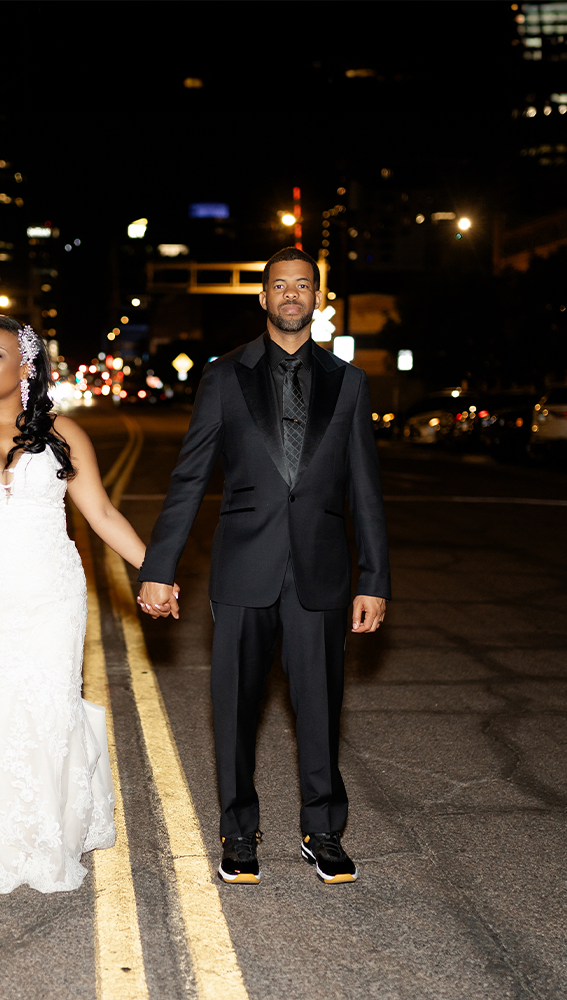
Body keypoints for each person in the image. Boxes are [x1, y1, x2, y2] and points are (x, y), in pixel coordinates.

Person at [137, 248, 390, 886]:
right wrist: (159, 567)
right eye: (280, 286)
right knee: (236, 706)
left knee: (321, 706)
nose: (290, 295)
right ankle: (238, 831)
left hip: (321, 573)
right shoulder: (225, 376)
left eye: (302, 286)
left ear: (316, 297)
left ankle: (323, 830)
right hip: (244, 568)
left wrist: (375, 580)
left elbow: (365, 488)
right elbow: (190, 476)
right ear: (263, 297)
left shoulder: (349, 382)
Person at [0, 315, 163, 894]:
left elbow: (99, 514)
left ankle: (50, 833)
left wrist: (155, 569)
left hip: (51, 594)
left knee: (47, 707)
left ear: (27, 366)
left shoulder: (63, 433)